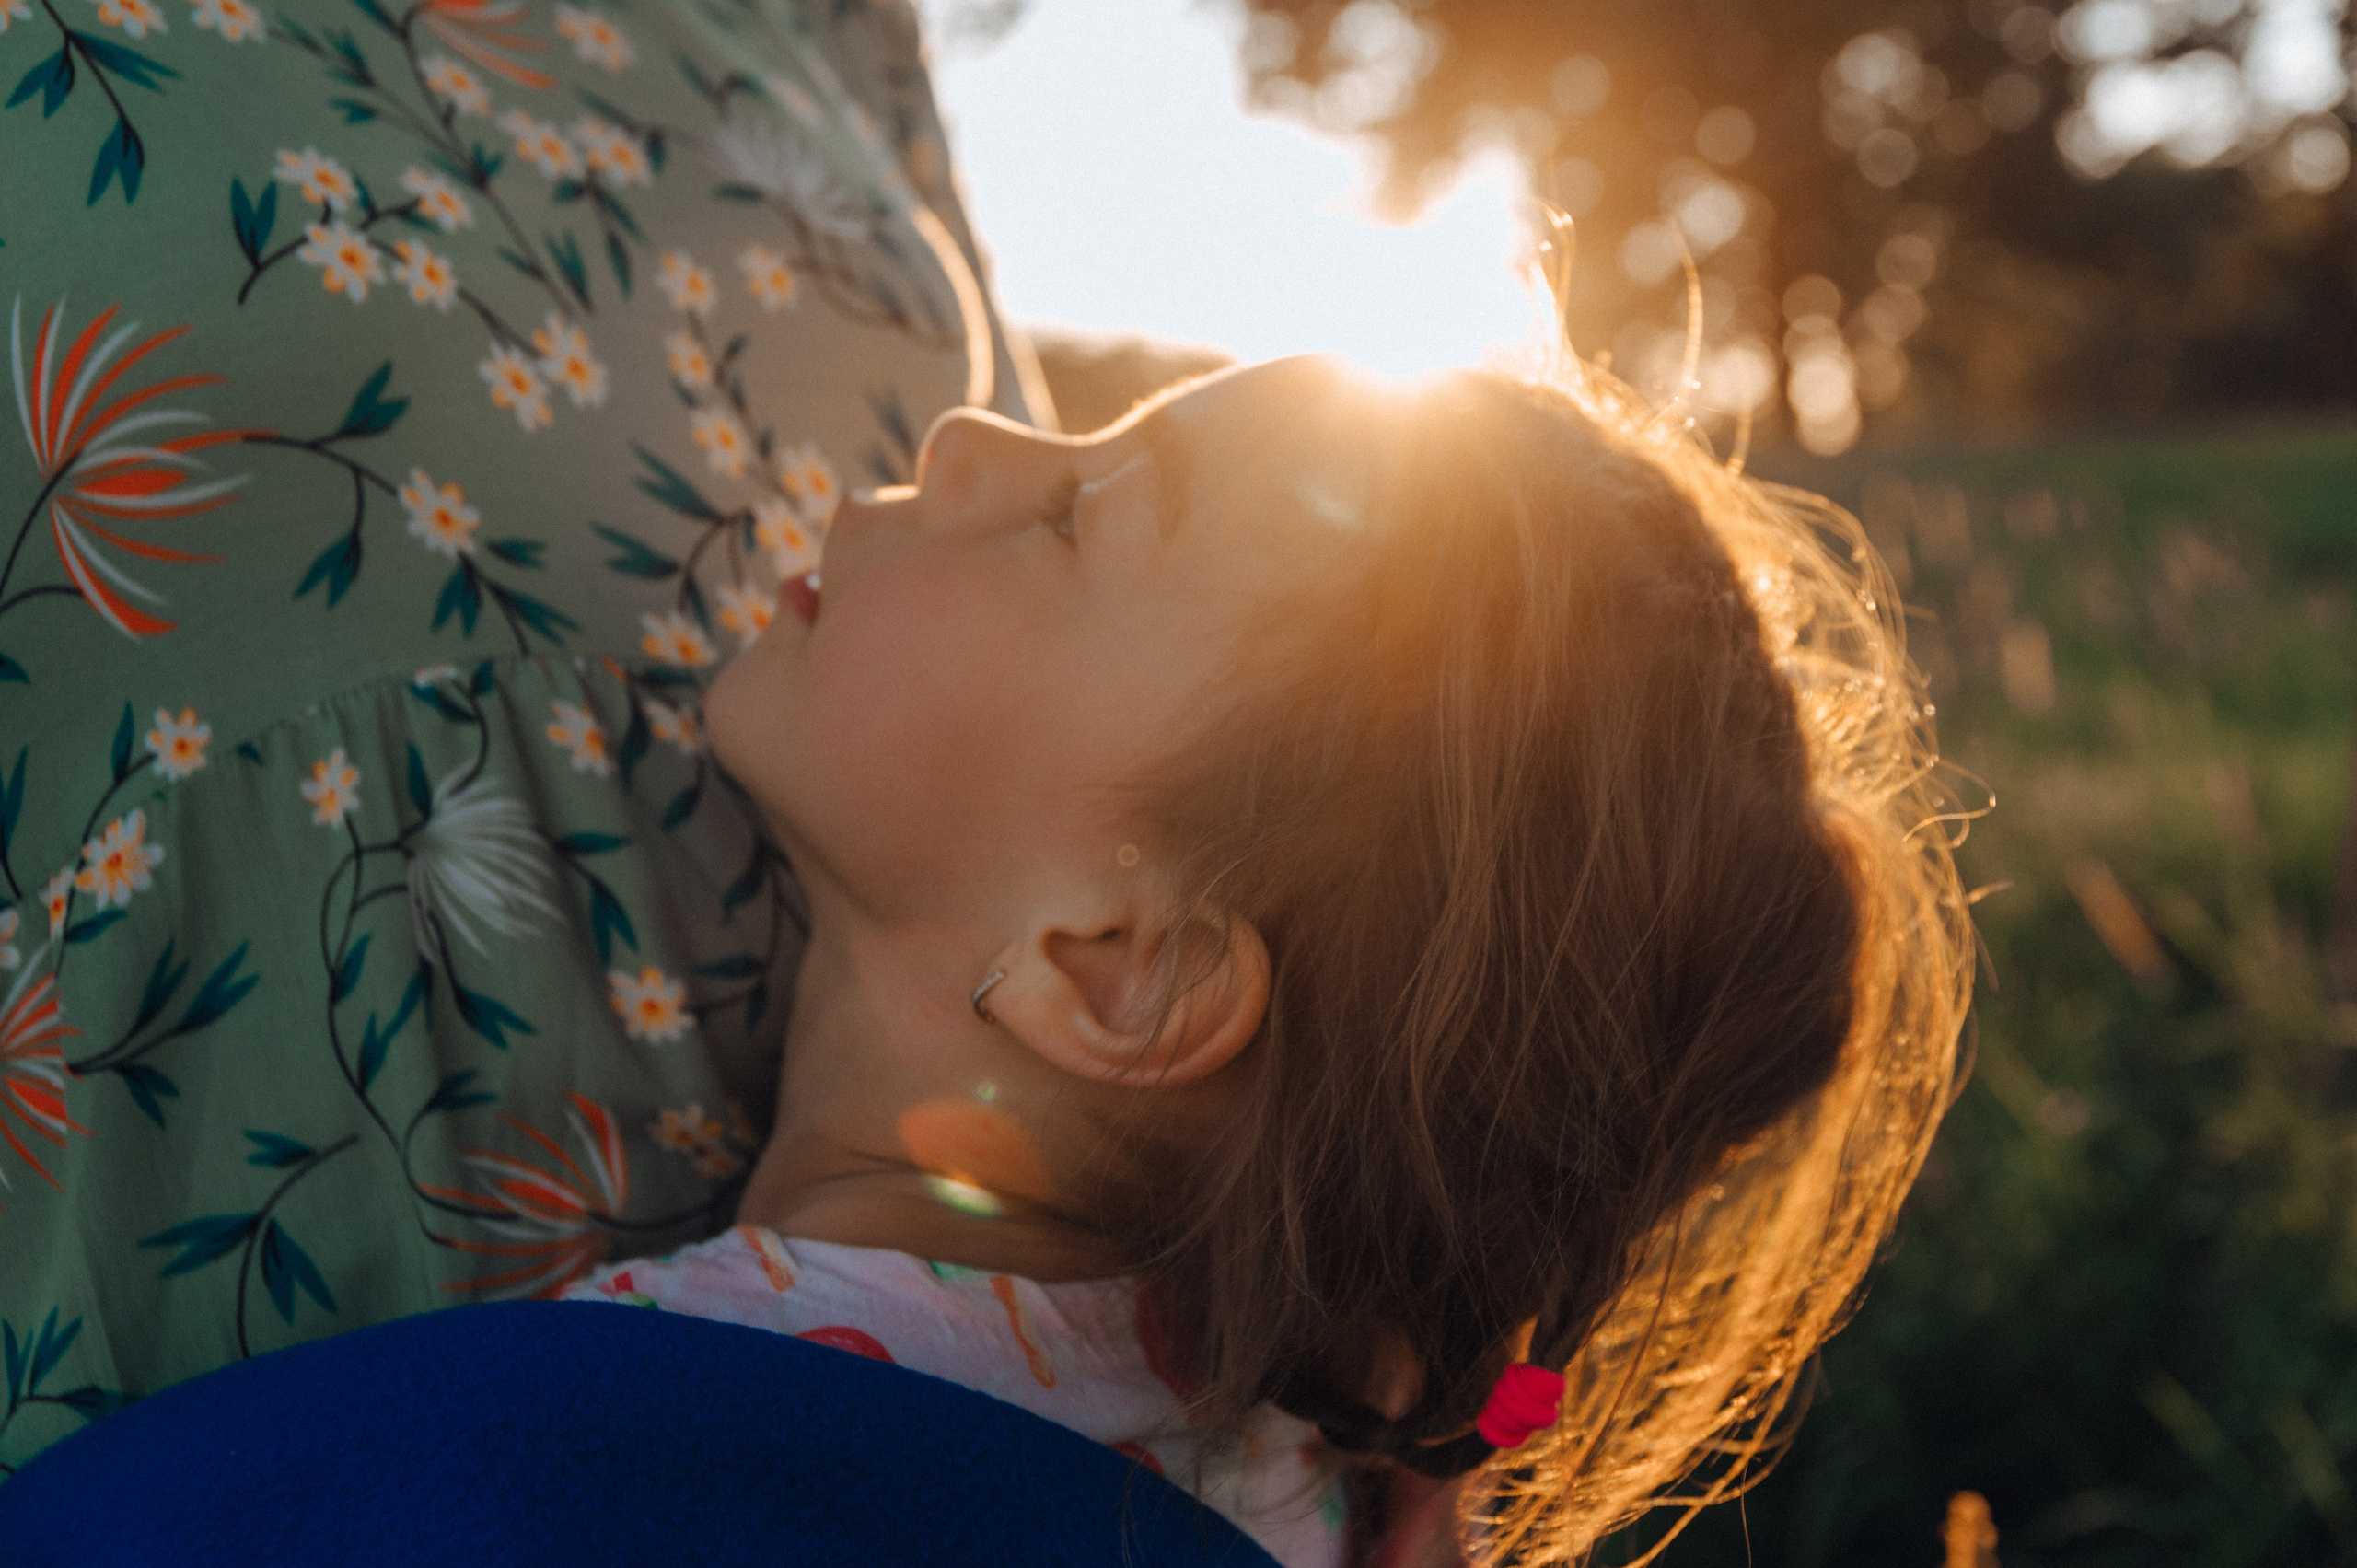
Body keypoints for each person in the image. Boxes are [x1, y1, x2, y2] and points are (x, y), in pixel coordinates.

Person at [556, 352, 1978, 1566]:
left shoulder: (585, 1452)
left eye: (1068, 518)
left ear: (1131, 971)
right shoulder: (1318, 1481)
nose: (967, 436)